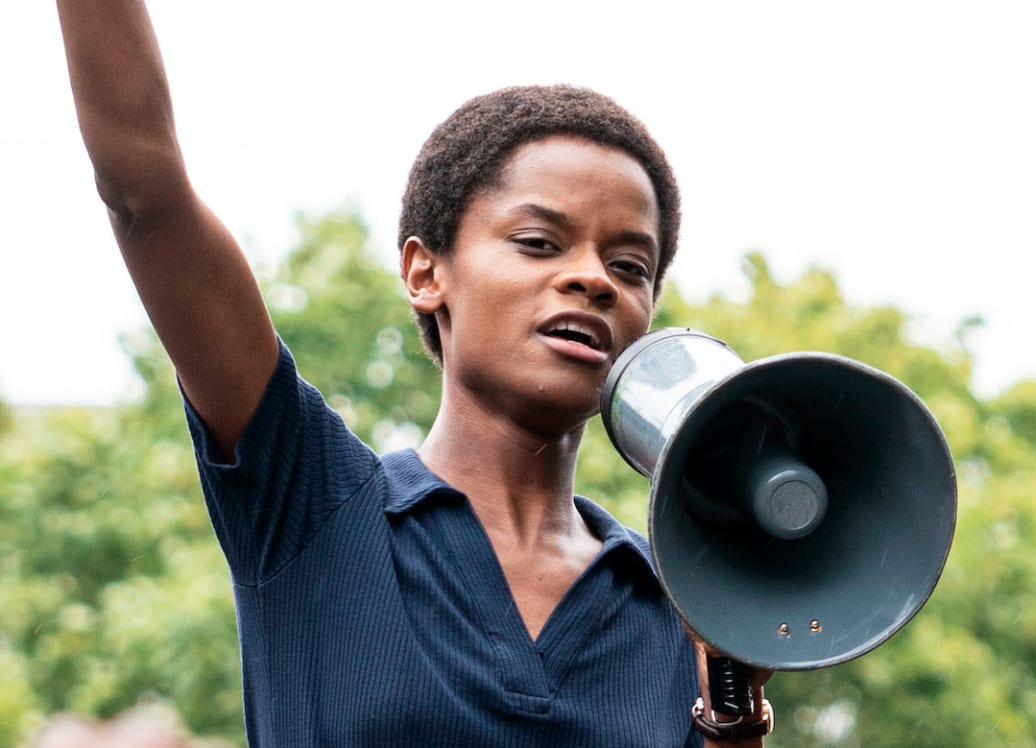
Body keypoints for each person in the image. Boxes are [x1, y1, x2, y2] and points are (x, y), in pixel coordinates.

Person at [56, 2, 772, 745]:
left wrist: (732, 708)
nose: (593, 279)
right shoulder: (315, 507)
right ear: (425, 272)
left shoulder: (677, 601)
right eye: (538, 242)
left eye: (630, 266)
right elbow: (144, 189)